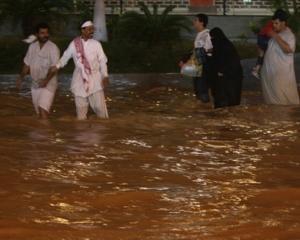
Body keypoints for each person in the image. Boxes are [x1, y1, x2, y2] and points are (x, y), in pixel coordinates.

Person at [47, 21, 109, 120]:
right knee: (81, 112)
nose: (92, 31)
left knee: (100, 110)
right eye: (89, 29)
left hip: (95, 78)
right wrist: (57, 66)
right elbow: (65, 57)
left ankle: (101, 130)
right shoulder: (74, 44)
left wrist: (105, 75)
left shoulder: (96, 44)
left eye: (93, 29)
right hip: (79, 79)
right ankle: (83, 133)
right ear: (82, 30)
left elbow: (102, 60)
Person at [16, 23, 60, 119]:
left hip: (49, 84)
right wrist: (21, 78)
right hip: (35, 84)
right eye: (42, 33)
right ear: (37, 34)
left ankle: (47, 132)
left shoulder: (53, 48)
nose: (45, 35)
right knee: (39, 114)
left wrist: (46, 81)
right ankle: (43, 133)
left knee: (42, 110)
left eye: (47, 33)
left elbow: (54, 68)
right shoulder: (32, 47)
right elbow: (27, 64)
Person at [261, 9, 299, 105]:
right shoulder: (277, 34)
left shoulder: (289, 35)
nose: (274, 25)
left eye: (276, 23)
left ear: (283, 23)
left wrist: (274, 36)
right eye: (273, 23)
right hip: (271, 76)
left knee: (282, 103)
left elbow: (288, 49)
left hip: (281, 77)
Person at [180, 13, 213, 103]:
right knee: (197, 88)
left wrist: (202, 52)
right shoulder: (199, 34)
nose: (193, 22)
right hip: (198, 65)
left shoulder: (207, 34)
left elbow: (211, 49)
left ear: (201, 22)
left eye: (195, 20)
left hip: (205, 65)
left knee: (202, 88)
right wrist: (185, 59)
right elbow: (195, 50)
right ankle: (201, 109)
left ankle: (206, 111)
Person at [209, 27, 243, 108]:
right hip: (230, 77)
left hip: (229, 78)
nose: (212, 40)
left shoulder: (223, 47)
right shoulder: (224, 45)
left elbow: (229, 62)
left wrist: (221, 71)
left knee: (226, 100)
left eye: (212, 38)